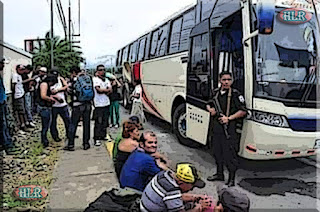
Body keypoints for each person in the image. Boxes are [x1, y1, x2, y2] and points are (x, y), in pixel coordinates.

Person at [206, 72, 247, 187]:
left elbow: (243, 111)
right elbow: (208, 103)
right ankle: (219, 174)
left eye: (228, 79)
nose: (226, 82)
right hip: (216, 129)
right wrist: (211, 109)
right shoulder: (215, 92)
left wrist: (228, 118)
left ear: (232, 81)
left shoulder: (235, 94)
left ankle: (231, 179)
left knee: (230, 156)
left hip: (228, 131)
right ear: (220, 80)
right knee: (217, 153)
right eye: (224, 79)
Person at [140, 163, 212, 212]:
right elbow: (174, 197)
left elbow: (175, 197)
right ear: (181, 183)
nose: (191, 189)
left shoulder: (164, 175)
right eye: (192, 186)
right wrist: (200, 207)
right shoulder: (172, 190)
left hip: (145, 206)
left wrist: (195, 197)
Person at [65, 66, 93, 151]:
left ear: (73, 72)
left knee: (73, 124)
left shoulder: (74, 80)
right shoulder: (88, 78)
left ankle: (71, 144)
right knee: (86, 124)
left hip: (77, 105)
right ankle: (86, 144)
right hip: (88, 104)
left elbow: (69, 91)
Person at [50, 68, 72, 143]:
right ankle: (55, 136)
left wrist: (58, 90)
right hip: (53, 105)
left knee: (67, 120)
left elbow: (66, 86)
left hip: (63, 104)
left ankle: (69, 135)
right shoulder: (47, 81)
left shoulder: (60, 79)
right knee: (53, 122)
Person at [0, 58, 17, 154]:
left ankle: (6, 143)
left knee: (5, 123)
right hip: (1, 103)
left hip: (3, 101)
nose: (3, 65)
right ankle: (7, 145)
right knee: (3, 125)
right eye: (2, 63)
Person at [93, 65, 112, 146]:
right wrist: (106, 90)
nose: (102, 71)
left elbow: (110, 90)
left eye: (104, 70)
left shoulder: (106, 80)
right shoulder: (95, 80)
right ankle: (96, 138)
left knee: (105, 121)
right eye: (100, 70)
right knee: (98, 122)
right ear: (97, 71)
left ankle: (103, 135)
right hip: (98, 104)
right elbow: (98, 90)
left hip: (106, 103)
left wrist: (105, 90)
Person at [39, 74, 58, 148]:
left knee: (47, 124)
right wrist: (50, 99)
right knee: (45, 125)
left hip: (46, 106)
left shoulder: (46, 85)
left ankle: (45, 140)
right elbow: (43, 96)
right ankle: (44, 141)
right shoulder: (44, 84)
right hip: (44, 106)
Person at [12, 65, 28, 132]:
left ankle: (24, 124)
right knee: (21, 111)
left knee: (23, 110)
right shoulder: (15, 76)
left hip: (21, 93)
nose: (22, 71)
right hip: (18, 95)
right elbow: (13, 85)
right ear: (17, 69)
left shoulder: (20, 76)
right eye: (21, 69)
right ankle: (22, 125)